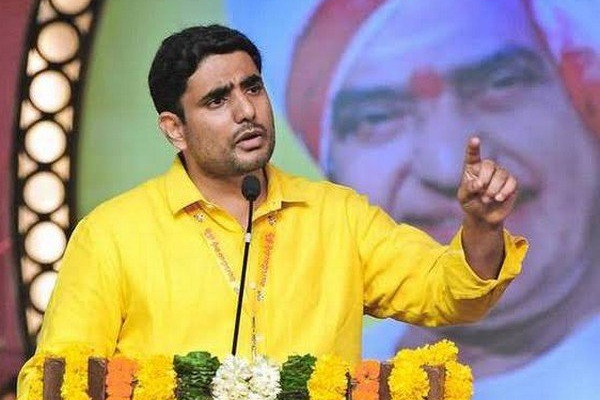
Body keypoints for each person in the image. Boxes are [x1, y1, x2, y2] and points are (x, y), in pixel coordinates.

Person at [16, 24, 527, 397]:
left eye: (252, 87)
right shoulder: (112, 234)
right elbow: (57, 379)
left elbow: (448, 294)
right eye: (217, 100)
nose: (246, 111)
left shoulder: (337, 216)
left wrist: (481, 227)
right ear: (175, 129)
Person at [284, 0, 600, 388]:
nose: (449, 168)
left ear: (586, 99)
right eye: (377, 118)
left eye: (500, 83)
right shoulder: (325, 379)